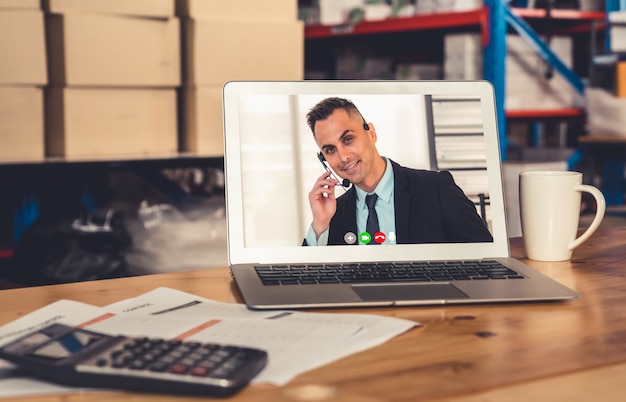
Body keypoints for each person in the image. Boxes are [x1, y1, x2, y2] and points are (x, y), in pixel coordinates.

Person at [303, 97, 493, 246]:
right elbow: (307, 285)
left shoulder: (436, 188)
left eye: (348, 139)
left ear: (371, 133)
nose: (343, 157)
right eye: (330, 150)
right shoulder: (333, 215)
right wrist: (319, 225)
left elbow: (485, 256)